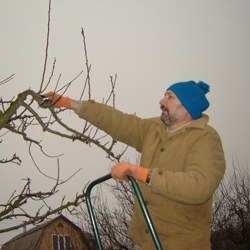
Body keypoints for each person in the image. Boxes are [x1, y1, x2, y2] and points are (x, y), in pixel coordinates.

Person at [42, 80, 226, 250]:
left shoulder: (206, 139)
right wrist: (71, 103)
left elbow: (199, 186)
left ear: (187, 106)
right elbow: (119, 122)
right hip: (144, 242)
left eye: (169, 97)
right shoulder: (155, 130)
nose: (162, 101)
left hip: (181, 244)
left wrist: (142, 174)